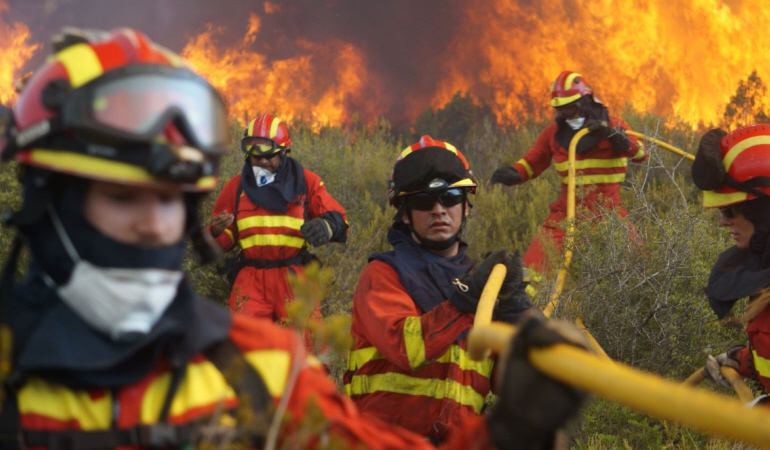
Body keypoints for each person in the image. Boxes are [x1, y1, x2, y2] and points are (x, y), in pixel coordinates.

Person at [0, 27, 587, 449]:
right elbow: (222, 236)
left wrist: (513, 430)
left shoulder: (261, 371)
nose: (157, 225)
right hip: (255, 278)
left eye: (171, 198)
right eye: (123, 196)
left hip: (295, 279)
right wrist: (225, 238)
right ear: (46, 202)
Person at [345, 135, 544, 442]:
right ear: (406, 214)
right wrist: (467, 299)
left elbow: (508, 387)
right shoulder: (383, 275)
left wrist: (521, 320)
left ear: (466, 207)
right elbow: (406, 348)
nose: (439, 209)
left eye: (451, 197)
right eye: (424, 201)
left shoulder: (485, 283)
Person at [490, 71, 647, 277]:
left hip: (608, 215)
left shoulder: (615, 125)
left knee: (642, 269)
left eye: (570, 108)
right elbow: (533, 161)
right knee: (529, 275)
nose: (566, 115)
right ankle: (528, 306)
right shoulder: (553, 133)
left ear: (585, 101)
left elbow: (641, 153)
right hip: (565, 216)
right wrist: (514, 173)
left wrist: (613, 136)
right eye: (560, 110)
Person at [208, 113, 348, 344]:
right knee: (241, 349)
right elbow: (222, 240)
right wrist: (214, 232)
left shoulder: (306, 182)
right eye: (255, 155)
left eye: (269, 155)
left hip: (294, 279)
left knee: (308, 348)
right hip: (250, 280)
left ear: (284, 151)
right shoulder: (236, 187)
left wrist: (326, 226)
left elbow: (340, 219)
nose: (262, 161)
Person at [692, 124, 770, 413]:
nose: (723, 222)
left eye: (729, 211)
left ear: (765, 212)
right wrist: (743, 361)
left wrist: (760, 415)